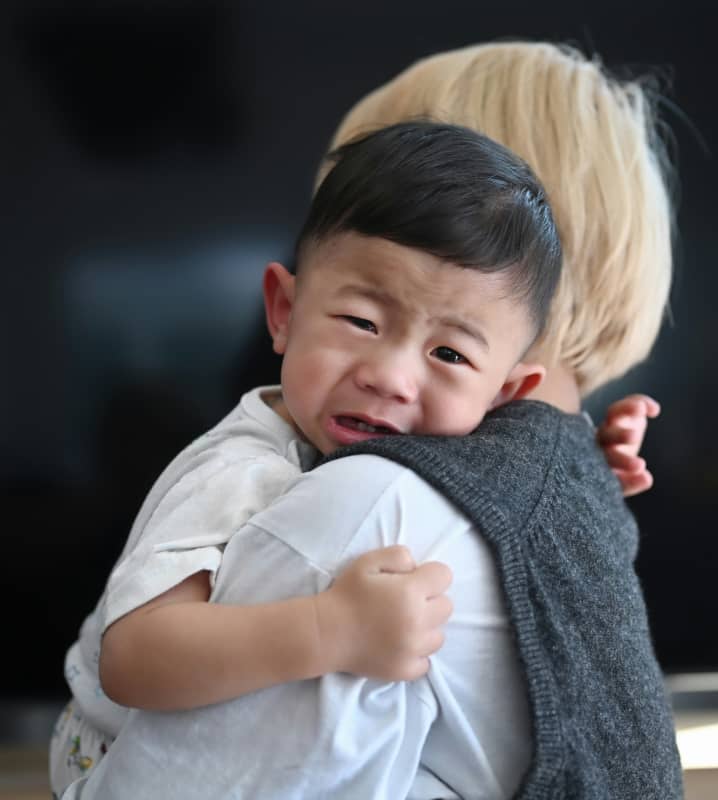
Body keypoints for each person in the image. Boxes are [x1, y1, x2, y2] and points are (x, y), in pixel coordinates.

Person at [59, 42, 683, 799]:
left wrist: (588, 459)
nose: (390, 375)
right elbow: (135, 660)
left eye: (450, 352)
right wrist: (331, 629)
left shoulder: (390, 497)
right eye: (359, 316)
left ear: (506, 383)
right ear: (286, 309)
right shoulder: (250, 471)